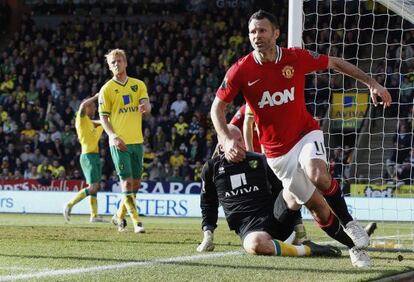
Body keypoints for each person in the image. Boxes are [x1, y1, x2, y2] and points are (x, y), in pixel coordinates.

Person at [210, 10, 392, 267]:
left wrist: (371, 82)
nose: (257, 36)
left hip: (305, 133)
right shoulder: (241, 70)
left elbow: (335, 63)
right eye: (252, 32)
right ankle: (355, 248)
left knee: (318, 173)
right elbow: (216, 108)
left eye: (262, 30)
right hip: (277, 155)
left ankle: (351, 224)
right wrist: (226, 138)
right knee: (318, 209)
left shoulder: (295, 57)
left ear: (275, 33)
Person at [197, 124, 341, 258]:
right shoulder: (211, 168)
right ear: (222, 146)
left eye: (240, 140)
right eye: (232, 141)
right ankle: (308, 250)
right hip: (250, 228)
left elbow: (284, 189)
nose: (238, 145)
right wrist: (207, 236)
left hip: (277, 218)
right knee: (254, 244)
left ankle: (336, 227)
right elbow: (208, 203)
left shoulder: (260, 160)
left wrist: (300, 233)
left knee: (295, 182)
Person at [231, 103, 307, 243]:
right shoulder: (246, 107)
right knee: (274, 191)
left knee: (286, 188)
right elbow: (236, 127)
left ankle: (297, 226)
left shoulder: (275, 105)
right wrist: (250, 152)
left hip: (273, 156)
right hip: (256, 159)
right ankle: (276, 228)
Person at [99, 49, 151, 233]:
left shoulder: (138, 85)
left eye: (119, 61)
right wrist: (112, 136)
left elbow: (147, 104)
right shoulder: (106, 89)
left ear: (126, 63)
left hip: (137, 141)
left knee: (136, 185)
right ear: (109, 66)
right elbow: (104, 117)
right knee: (126, 184)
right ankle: (137, 222)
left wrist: (146, 106)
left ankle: (118, 215)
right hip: (119, 142)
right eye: (112, 62)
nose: (116, 64)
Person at [64, 93, 104, 223]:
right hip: (88, 156)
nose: (94, 109)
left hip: (95, 156)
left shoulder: (90, 122)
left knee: (95, 186)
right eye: (92, 106)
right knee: (92, 187)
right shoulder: (81, 119)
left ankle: (94, 215)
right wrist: (96, 96)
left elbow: (102, 122)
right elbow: (82, 106)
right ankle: (69, 205)